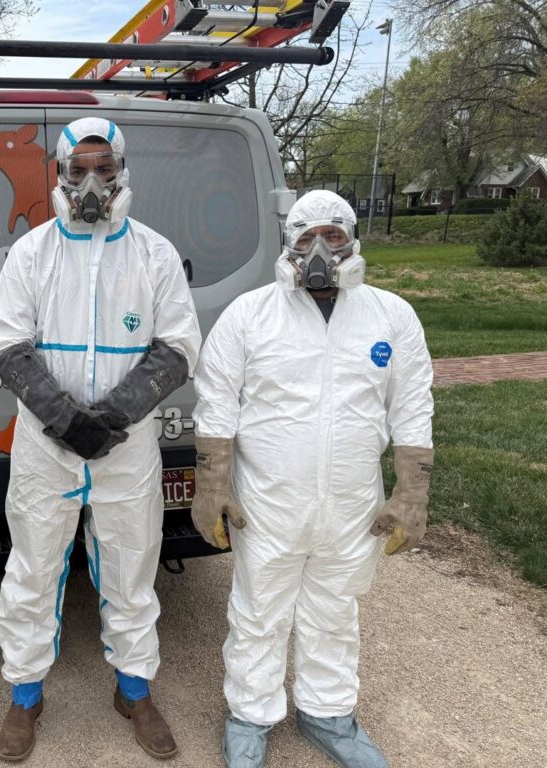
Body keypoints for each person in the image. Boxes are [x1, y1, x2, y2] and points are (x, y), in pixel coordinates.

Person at [191, 190, 435, 768]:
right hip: (268, 502)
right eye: (305, 239)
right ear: (288, 245)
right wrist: (213, 486)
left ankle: (328, 713)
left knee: (335, 609)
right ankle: (250, 714)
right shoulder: (250, 315)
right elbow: (216, 402)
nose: (320, 251)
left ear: (354, 241)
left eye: (333, 237)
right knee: (258, 610)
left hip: (352, 502)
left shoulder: (390, 315)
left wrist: (412, 491)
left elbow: (412, 406)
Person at [0, 117, 202, 762]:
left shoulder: (154, 253)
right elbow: (7, 341)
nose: (89, 181)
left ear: (121, 173)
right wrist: (63, 416)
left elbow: (178, 345)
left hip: (126, 443)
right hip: (46, 446)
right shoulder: (33, 252)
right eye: (77, 169)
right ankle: (25, 697)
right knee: (33, 568)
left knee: (132, 567)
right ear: (57, 174)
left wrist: (112, 415)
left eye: (102, 168)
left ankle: (133, 690)